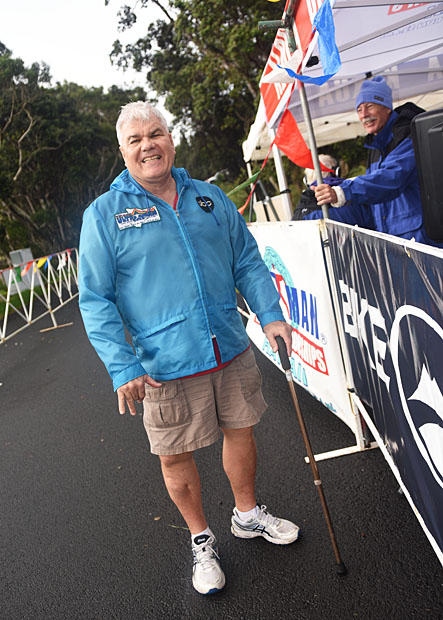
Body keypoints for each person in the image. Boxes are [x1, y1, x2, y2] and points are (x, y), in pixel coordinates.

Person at [78, 101, 299, 596]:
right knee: (175, 455)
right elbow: (95, 299)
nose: (148, 145)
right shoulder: (105, 215)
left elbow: (246, 260)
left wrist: (270, 315)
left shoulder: (208, 197)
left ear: (170, 139)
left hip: (229, 346)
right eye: (135, 140)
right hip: (164, 364)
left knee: (241, 431)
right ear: (123, 151)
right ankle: (201, 540)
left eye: (155, 134)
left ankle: (247, 514)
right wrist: (122, 366)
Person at [313, 76, 437, 245]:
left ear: (386, 107)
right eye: (359, 110)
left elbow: (391, 179)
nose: (364, 115)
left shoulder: (408, 135)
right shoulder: (374, 147)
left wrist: (342, 192)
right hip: (394, 243)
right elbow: (371, 200)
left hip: (422, 242)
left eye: (370, 106)